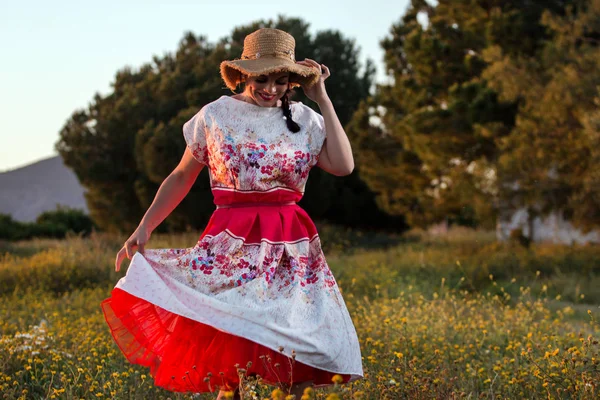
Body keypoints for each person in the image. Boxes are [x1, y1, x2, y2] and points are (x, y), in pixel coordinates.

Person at [100, 27, 363, 399]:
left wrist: (321, 96)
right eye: (262, 78)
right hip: (232, 242)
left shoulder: (306, 118)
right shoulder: (215, 116)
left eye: (281, 79)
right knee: (231, 362)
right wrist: (143, 228)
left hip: (290, 246)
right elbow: (180, 176)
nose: (272, 88)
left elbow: (343, 165)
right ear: (243, 74)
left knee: (302, 347)